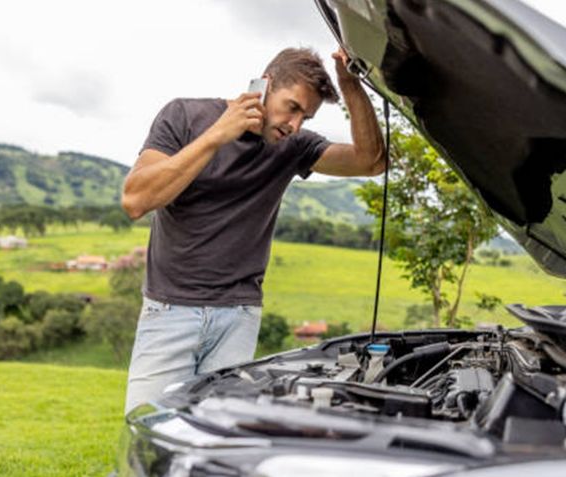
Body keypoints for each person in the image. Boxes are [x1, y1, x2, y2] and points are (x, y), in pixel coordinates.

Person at [120, 47, 384, 413]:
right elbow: (136, 200)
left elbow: (371, 162)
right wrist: (217, 135)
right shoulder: (184, 115)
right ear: (264, 84)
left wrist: (350, 85)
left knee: (220, 438)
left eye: (305, 117)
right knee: (147, 427)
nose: (295, 125)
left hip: (238, 317)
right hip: (169, 311)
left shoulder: (293, 146)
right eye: (292, 107)